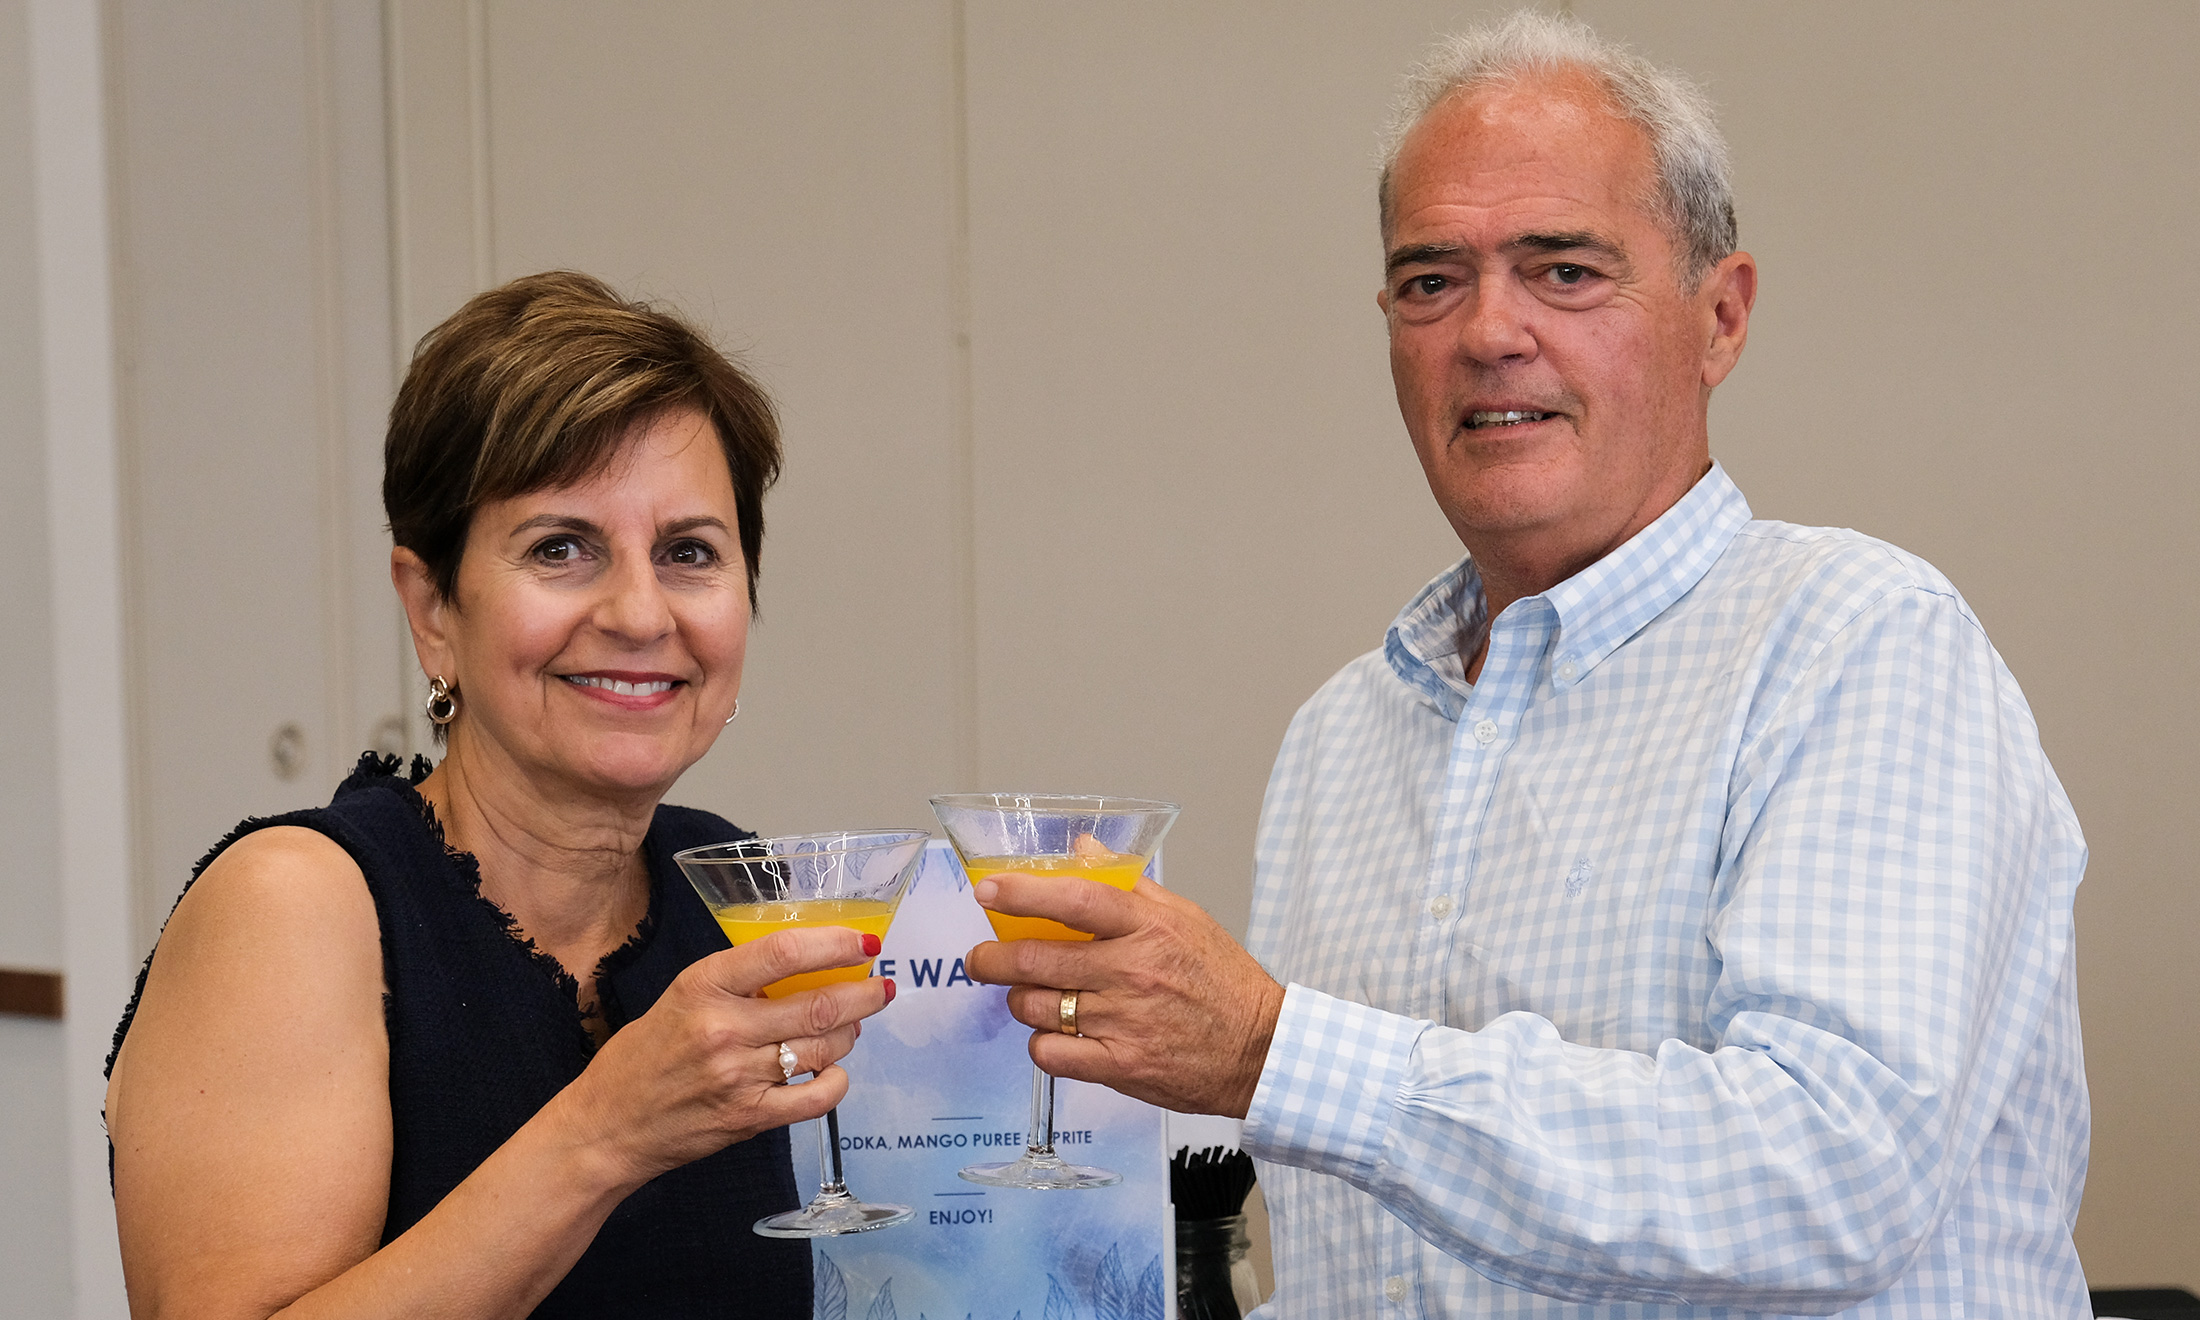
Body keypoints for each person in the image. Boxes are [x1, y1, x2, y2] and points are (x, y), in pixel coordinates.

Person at [964, 12, 2087, 1317]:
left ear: (1719, 318)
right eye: (1431, 280)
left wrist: (1275, 1049)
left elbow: (1828, 1177)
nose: (1489, 332)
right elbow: (1361, 1274)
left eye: (1563, 270)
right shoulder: (1342, 736)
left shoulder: (1862, 645)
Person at [104, 271, 889, 1318]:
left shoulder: (729, 883)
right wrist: (605, 1133)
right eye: (561, 548)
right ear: (432, 607)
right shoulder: (296, 904)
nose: (640, 612)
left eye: (689, 553)